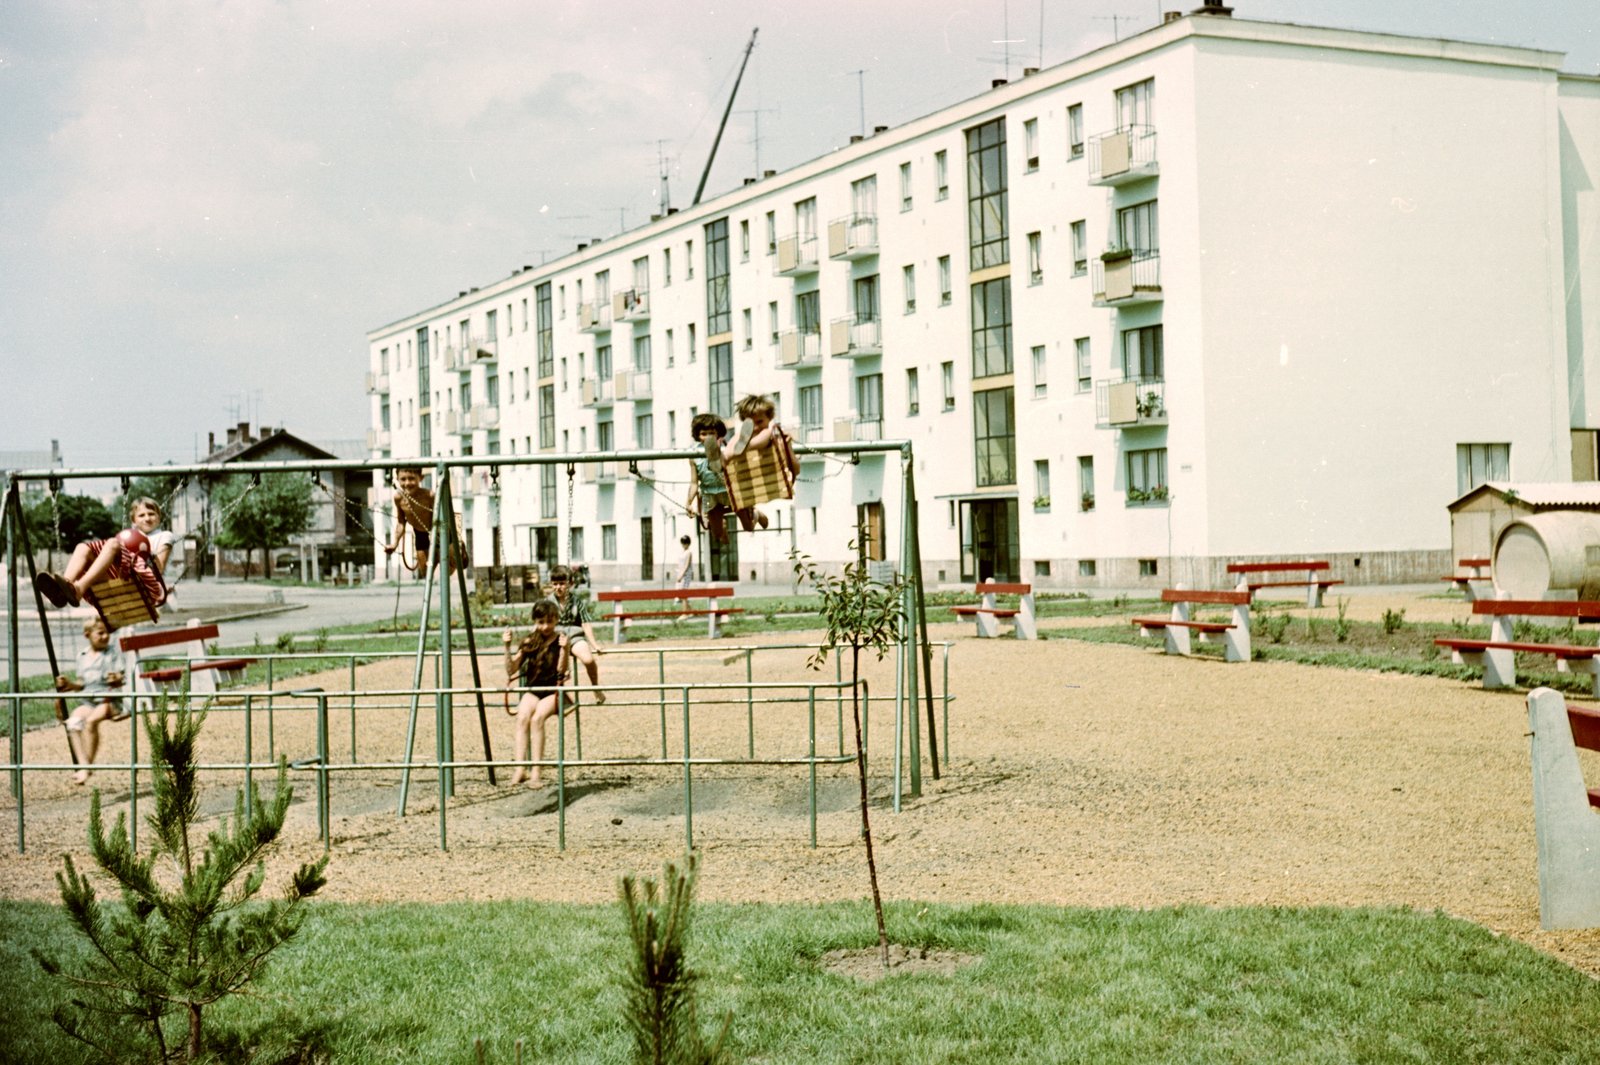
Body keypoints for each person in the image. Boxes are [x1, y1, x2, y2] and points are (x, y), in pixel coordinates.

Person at [34, 497, 172, 611]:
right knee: (83, 547)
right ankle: (65, 587)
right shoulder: (129, 535)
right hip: (122, 583)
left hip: (146, 589)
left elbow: (158, 569)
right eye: (141, 515)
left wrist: (140, 556)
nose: (147, 518)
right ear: (134, 521)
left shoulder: (164, 536)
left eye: (151, 514)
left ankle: (78, 589)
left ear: (159, 518)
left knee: (113, 543)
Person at [503, 599, 570, 787]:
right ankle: (519, 769)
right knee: (522, 717)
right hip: (534, 690)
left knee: (537, 719)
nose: (546, 626)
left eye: (550, 621)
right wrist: (507, 647)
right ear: (535, 621)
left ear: (556, 619)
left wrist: (565, 649)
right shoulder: (530, 640)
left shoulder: (561, 640)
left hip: (553, 691)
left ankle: (536, 772)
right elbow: (512, 669)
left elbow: (562, 670)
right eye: (541, 622)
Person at [54, 617, 127, 786]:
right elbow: (81, 684)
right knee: (72, 722)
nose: (105, 636)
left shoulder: (112, 653)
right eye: (100, 633)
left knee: (92, 722)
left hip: (110, 700)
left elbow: (121, 679)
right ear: (88, 635)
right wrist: (68, 684)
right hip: (90, 702)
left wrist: (114, 678)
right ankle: (83, 765)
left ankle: (87, 767)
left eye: (106, 633)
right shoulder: (82, 656)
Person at [545, 564, 604, 704]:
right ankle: (556, 694)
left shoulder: (577, 602)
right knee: (554, 666)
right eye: (555, 584)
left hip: (574, 638)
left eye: (562, 584)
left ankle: (596, 688)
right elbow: (543, 624)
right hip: (556, 639)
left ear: (570, 584)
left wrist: (594, 644)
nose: (558, 587)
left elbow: (585, 624)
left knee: (588, 660)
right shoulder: (548, 602)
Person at [384, 467, 453, 575]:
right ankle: (434, 557)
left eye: (411, 479)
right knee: (425, 571)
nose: (407, 483)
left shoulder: (429, 496)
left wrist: (441, 535)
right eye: (403, 479)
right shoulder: (398, 498)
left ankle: (458, 552)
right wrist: (394, 544)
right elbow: (401, 522)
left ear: (421, 478)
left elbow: (444, 519)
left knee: (448, 571)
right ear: (397, 479)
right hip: (421, 534)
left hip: (439, 531)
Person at [688, 413, 735, 545]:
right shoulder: (693, 454)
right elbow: (693, 483)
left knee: (748, 525)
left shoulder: (725, 448)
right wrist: (689, 502)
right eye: (704, 434)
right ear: (697, 435)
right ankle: (722, 526)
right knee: (717, 535)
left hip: (727, 489)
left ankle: (756, 513)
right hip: (710, 493)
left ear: (718, 434)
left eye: (711, 433)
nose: (708, 437)